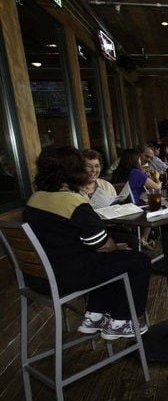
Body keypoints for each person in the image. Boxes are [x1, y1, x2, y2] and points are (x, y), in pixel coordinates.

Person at [23, 145, 150, 339]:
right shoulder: (72, 202)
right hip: (66, 278)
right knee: (138, 261)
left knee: (105, 260)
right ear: (73, 171)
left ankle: (95, 315)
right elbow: (103, 244)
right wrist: (115, 247)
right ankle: (121, 321)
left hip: (37, 279)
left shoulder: (34, 200)